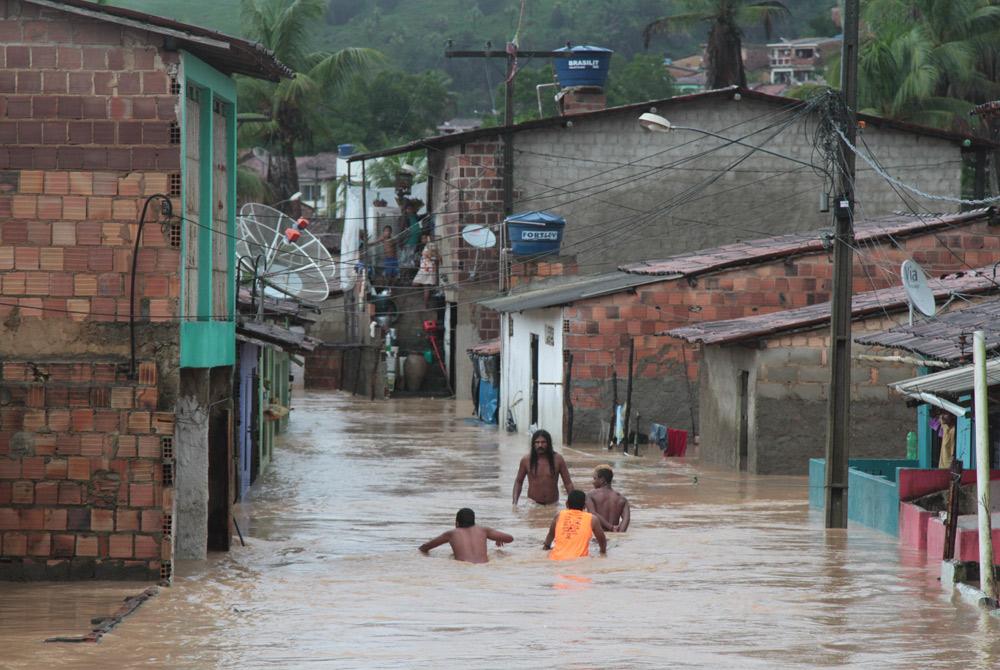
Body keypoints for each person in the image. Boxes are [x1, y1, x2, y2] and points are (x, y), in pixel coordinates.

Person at [418, 508, 513, 564]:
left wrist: (420, 551)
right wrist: (499, 538)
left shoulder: (451, 533)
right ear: (474, 522)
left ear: (457, 523)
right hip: (484, 567)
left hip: (463, 569)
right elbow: (509, 538)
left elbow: (426, 547)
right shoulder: (483, 530)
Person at [512, 429, 574, 505]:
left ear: (549, 444)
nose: (540, 445)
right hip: (532, 503)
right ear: (533, 444)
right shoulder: (526, 460)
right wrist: (514, 503)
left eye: (543, 442)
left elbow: (568, 483)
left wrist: (573, 502)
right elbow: (518, 482)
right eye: (537, 442)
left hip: (553, 504)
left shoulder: (558, 459)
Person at [544, 490, 607, 560]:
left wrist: (546, 547)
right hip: (578, 560)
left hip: (556, 559)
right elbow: (602, 540)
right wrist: (603, 553)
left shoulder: (559, 515)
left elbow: (550, 536)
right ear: (584, 506)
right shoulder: (592, 519)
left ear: (566, 504)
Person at [586, 465, 630, 532]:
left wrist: (611, 527)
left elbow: (592, 513)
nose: (593, 482)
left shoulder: (591, 495)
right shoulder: (622, 499)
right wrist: (619, 533)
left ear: (602, 480)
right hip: (615, 539)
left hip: (597, 536)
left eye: (595, 479)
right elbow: (626, 519)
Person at [412, 241, 440, 307]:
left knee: (415, 284)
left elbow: (427, 255)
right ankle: (425, 304)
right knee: (426, 288)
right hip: (429, 270)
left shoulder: (429, 246)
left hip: (424, 270)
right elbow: (436, 260)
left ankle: (425, 302)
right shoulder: (434, 250)